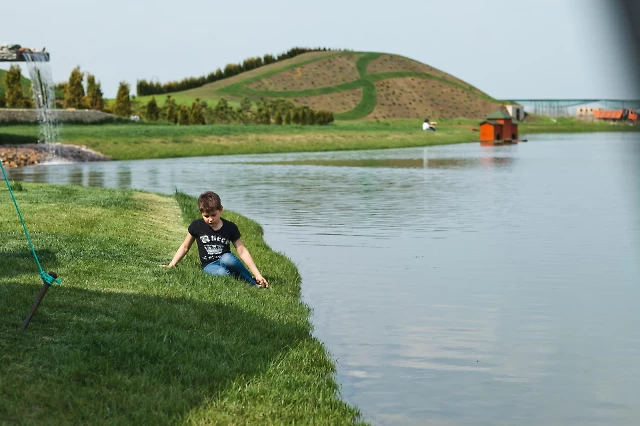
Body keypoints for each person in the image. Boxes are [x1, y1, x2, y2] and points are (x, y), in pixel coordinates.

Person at [162, 191, 269, 288]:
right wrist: (171, 265)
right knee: (222, 273)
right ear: (201, 213)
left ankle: (253, 283)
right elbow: (185, 247)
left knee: (228, 258)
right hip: (209, 265)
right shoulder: (196, 226)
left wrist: (257, 274)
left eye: (214, 215)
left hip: (224, 259)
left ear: (221, 210)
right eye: (206, 216)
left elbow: (242, 251)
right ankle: (238, 281)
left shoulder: (230, 227)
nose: (210, 219)